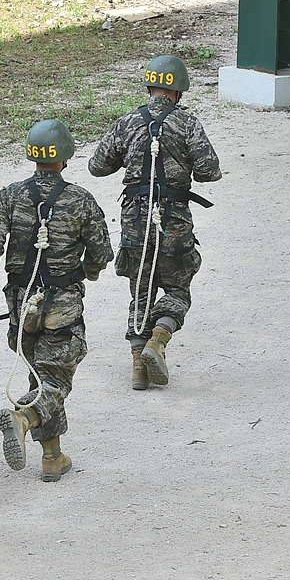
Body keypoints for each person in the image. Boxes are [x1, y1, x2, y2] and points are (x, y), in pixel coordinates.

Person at [0, 120, 113, 482]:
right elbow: (101, 254)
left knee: (39, 371)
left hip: (22, 306)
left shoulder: (9, 196)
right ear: (65, 157)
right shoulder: (80, 200)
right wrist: (88, 271)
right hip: (61, 305)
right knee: (55, 379)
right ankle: (24, 417)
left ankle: (53, 457)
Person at [88, 55, 221, 388]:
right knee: (177, 288)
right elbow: (210, 172)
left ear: (150, 86)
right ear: (178, 91)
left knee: (141, 291)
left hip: (134, 219)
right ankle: (158, 340)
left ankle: (138, 366)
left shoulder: (126, 123)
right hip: (173, 218)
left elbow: (97, 166)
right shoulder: (188, 124)